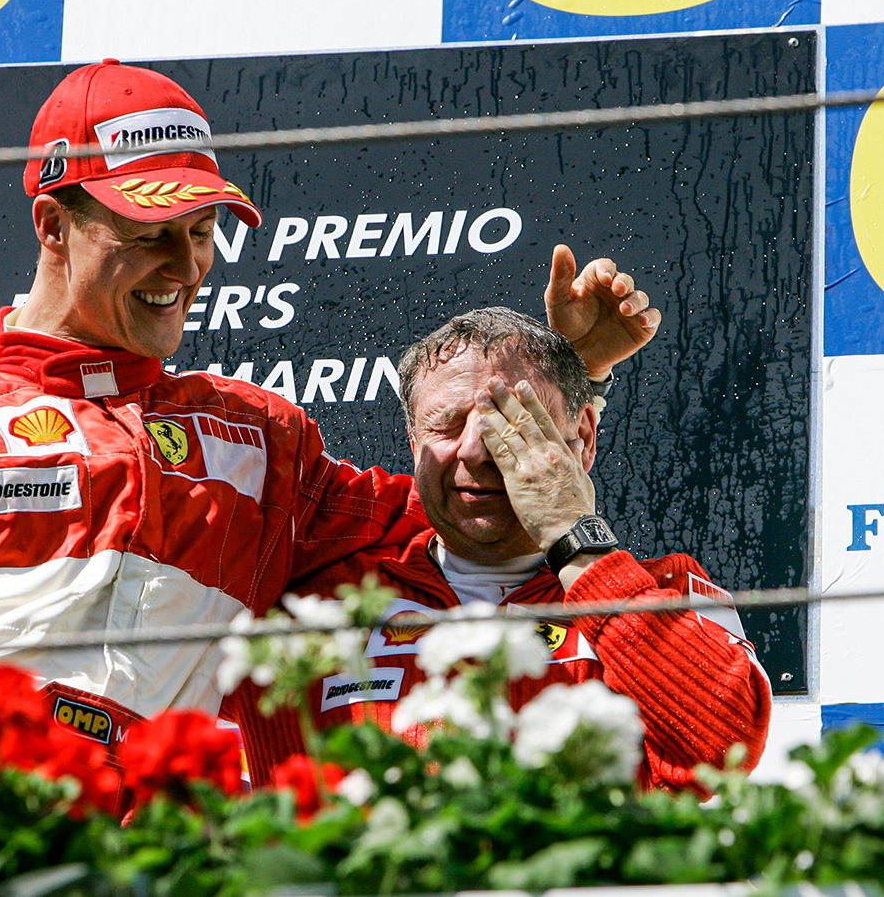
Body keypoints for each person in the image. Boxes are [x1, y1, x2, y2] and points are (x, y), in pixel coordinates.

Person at [0, 61, 658, 765]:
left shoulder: (263, 439)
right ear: (52, 225)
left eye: (202, 232)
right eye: (148, 235)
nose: (185, 268)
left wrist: (572, 377)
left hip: (169, 858)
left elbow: (471, 503)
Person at [224, 307, 771, 794]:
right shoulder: (311, 603)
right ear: (413, 444)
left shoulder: (668, 590)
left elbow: (722, 749)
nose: (475, 450)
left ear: (583, 436)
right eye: (446, 426)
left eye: (511, 421)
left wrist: (575, 539)